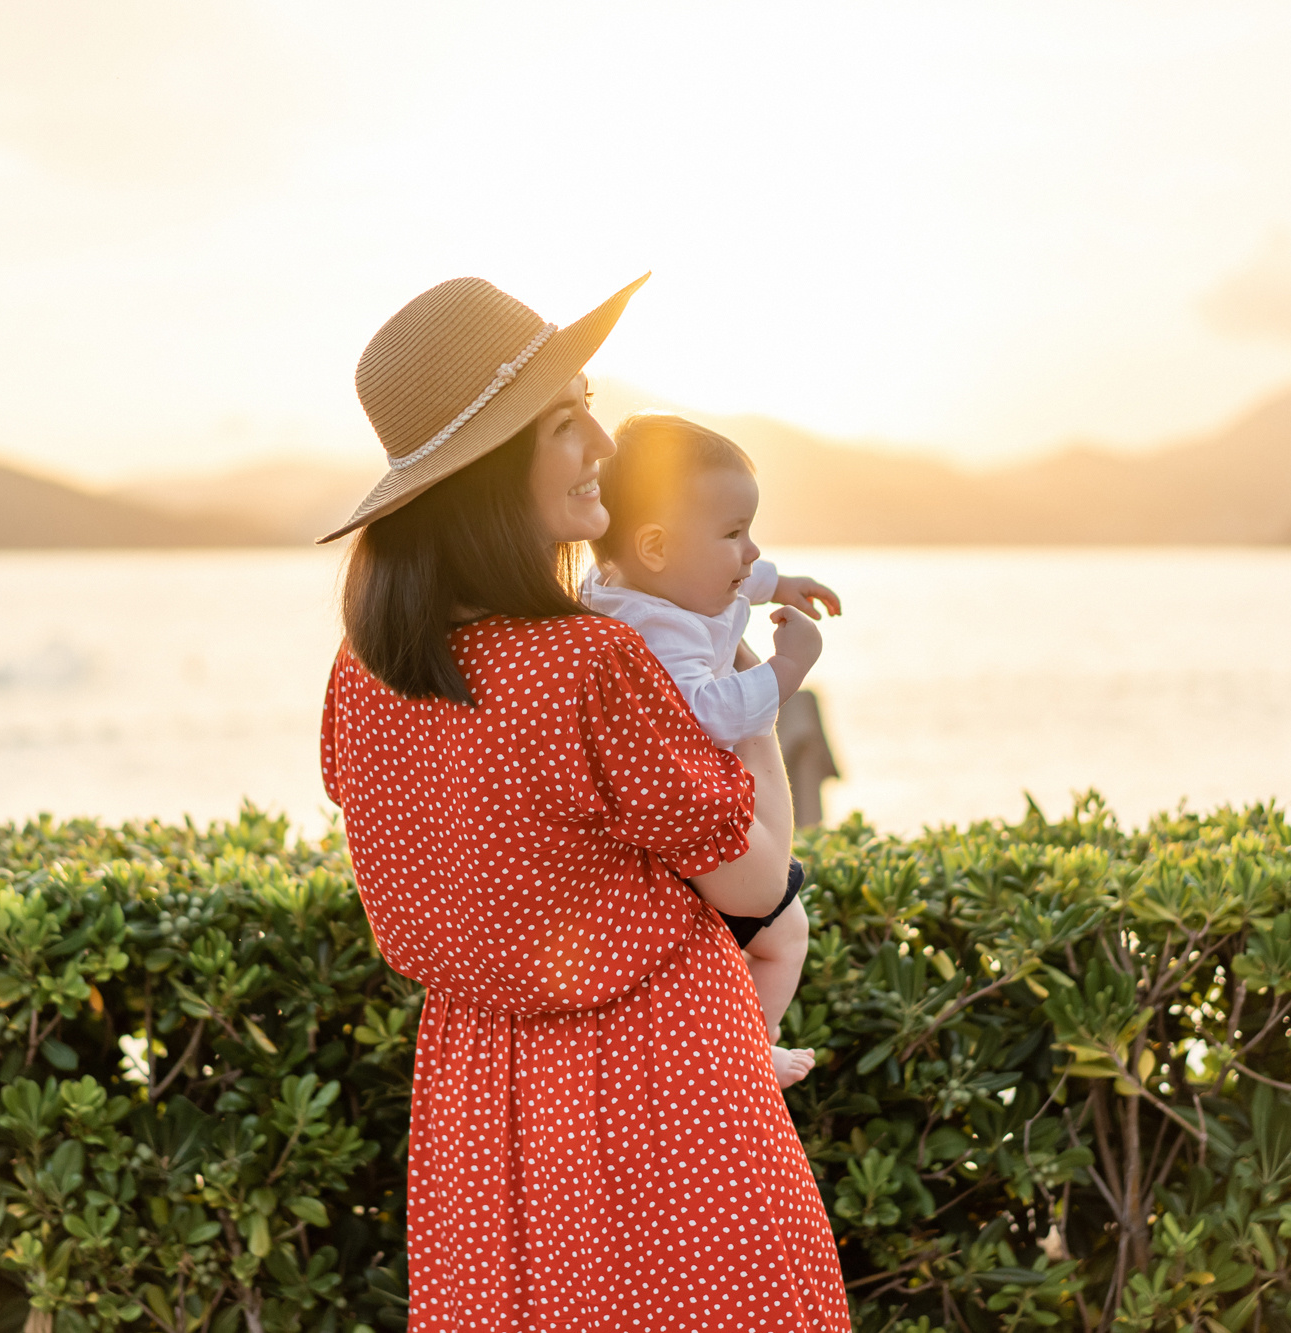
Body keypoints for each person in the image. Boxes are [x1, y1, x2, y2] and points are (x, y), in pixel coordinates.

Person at [318, 274, 850, 1330]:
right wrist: (747, 693)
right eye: (567, 424)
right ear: (487, 473)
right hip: (660, 1081)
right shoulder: (588, 664)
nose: (601, 448)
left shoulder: (358, 678)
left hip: (480, 1110)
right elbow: (753, 876)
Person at [580, 413, 844, 1089]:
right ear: (658, 546)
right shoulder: (657, 629)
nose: (750, 552)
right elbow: (709, 715)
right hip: (704, 840)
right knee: (787, 935)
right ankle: (757, 1049)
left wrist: (779, 584)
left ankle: (745, 1045)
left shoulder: (649, 582)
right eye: (734, 534)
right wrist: (787, 670)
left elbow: (740, 579)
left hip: (692, 841)